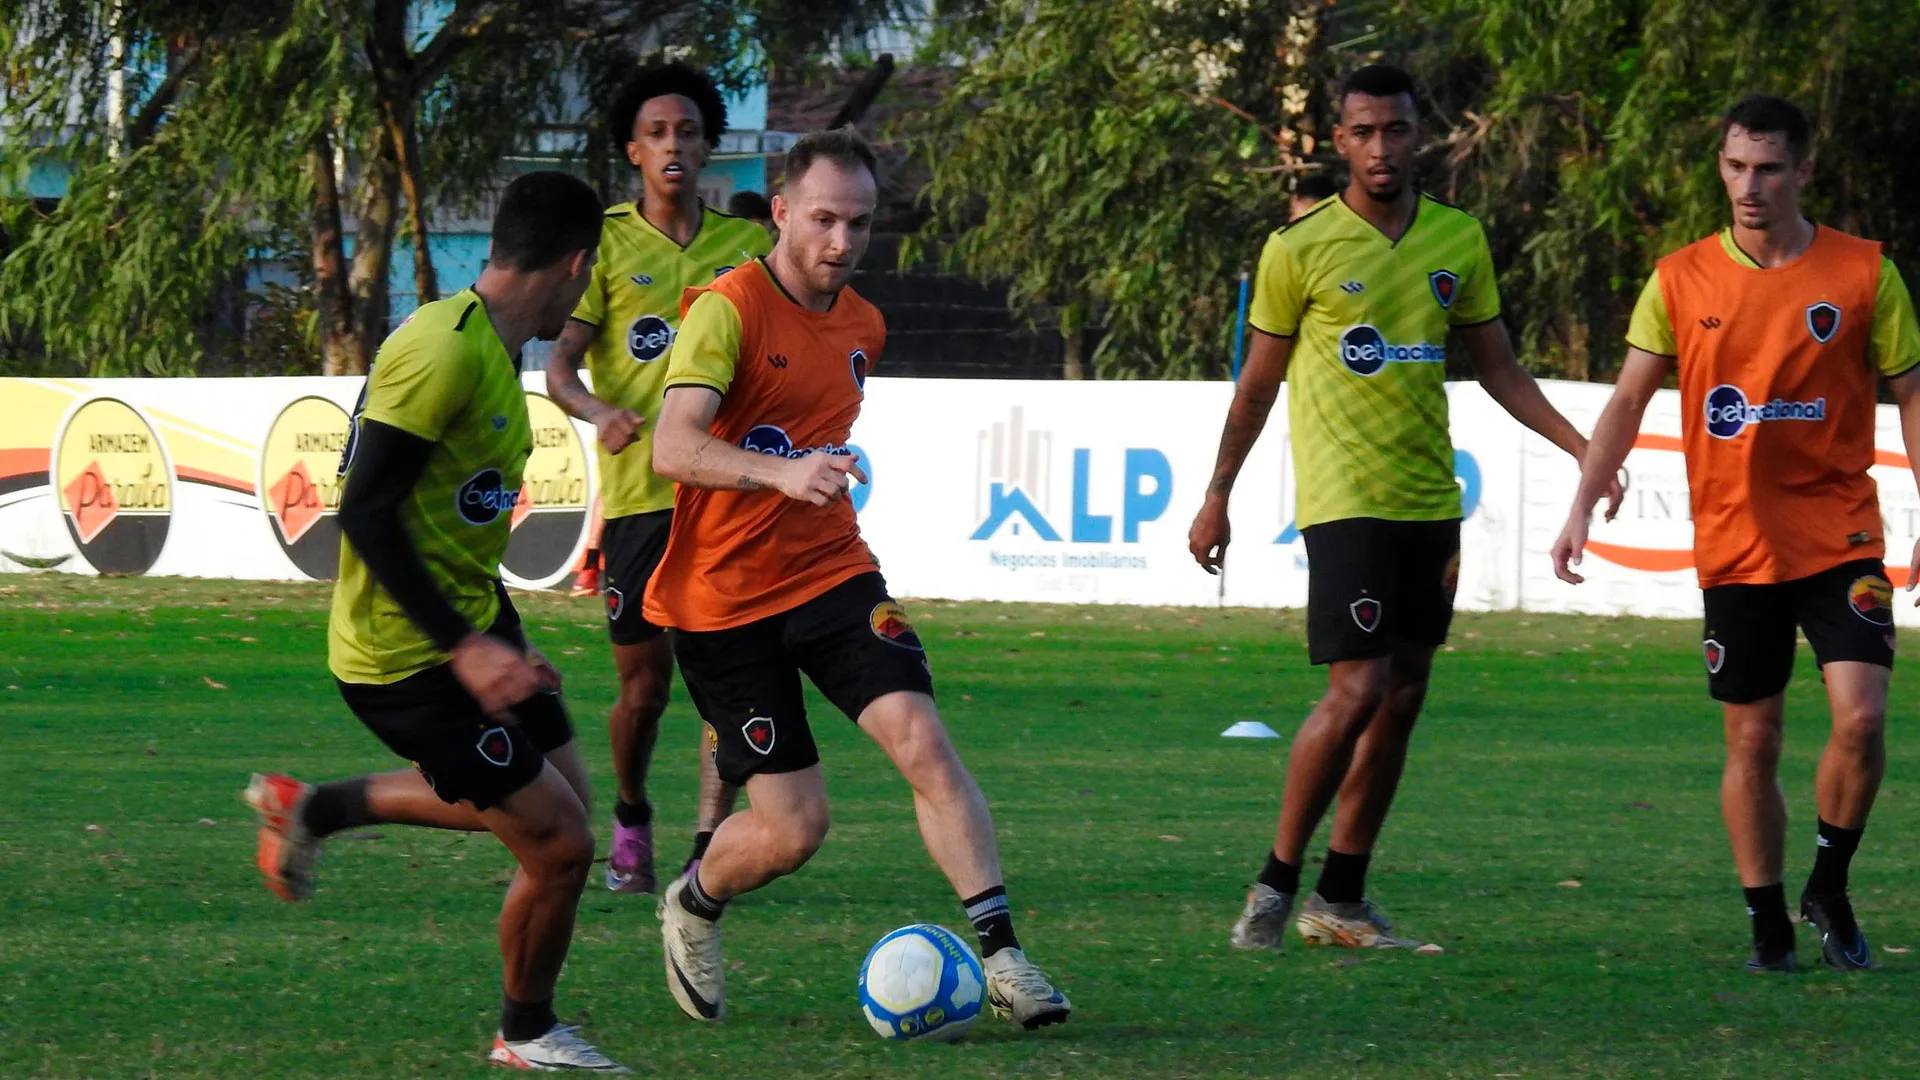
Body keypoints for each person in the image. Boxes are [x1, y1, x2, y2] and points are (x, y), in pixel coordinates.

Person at [644, 127, 1071, 1030]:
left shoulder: (863, 324)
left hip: (832, 572)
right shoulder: (726, 310)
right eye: (826, 220)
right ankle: (692, 900)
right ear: (783, 212)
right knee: (795, 831)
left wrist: (809, 485)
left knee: (923, 741)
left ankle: (1004, 957)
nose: (842, 243)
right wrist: (781, 473)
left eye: (861, 224)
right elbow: (673, 445)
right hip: (721, 606)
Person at [1190, 64, 1616, 952]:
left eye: (1396, 130)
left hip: (1431, 500)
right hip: (1347, 503)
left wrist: (1585, 449)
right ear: (1339, 141)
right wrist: (1218, 492)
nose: (1381, 147)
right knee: (1358, 688)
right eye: (1364, 131)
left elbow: (1496, 366)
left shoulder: (1457, 240)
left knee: (1404, 695)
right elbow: (1256, 388)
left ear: (1420, 137)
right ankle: (1273, 885)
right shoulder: (1297, 250)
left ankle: (1340, 899)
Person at [243, 171, 627, 1071]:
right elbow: (366, 513)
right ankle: (526, 1033)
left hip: (470, 633)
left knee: (561, 813)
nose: (583, 300)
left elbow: (451, 526)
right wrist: (465, 651)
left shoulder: (491, 350)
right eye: (587, 280)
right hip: (402, 661)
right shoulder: (442, 350)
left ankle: (321, 808)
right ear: (573, 266)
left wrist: (508, 636)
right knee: (561, 846)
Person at [1552, 94, 1920, 973]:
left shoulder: (1866, 272)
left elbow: (1911, 392)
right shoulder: (1680, 278)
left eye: (1767, 169)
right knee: (1753, 740)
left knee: (1862, 719)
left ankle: (1827, 883)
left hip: (1840, 538)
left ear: (1803, 172)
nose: (1748, 187)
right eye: (1733, 167)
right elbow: (1630, 397)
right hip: (1737, 546)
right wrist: (1581, 500)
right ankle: (1766, 920)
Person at [545, 61, 774, 896]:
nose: (673, 144)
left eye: (687, 131)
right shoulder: (604, 244)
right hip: (642, 502)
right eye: (656, 133)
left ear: (708, 145)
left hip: (726, 502)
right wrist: (600, 411)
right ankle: (633, 812)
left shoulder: (748, 251)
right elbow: (559, 371)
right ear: (633, 151)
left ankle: (708, 841)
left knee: (728, 682)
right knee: (643, 694)